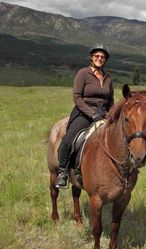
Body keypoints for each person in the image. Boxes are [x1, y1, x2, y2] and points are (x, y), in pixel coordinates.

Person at [55, 44, 114, 188]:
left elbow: (111, 100)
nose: (100, 58)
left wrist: (112, 115)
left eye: (103, 57)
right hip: (84, 113)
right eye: (97, 56)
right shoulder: (83, 73)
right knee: (68, 140)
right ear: (91, 57)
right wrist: (92, 114)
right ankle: (62, 172)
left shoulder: (108, 78)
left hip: (104, 114)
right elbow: (77, 98)